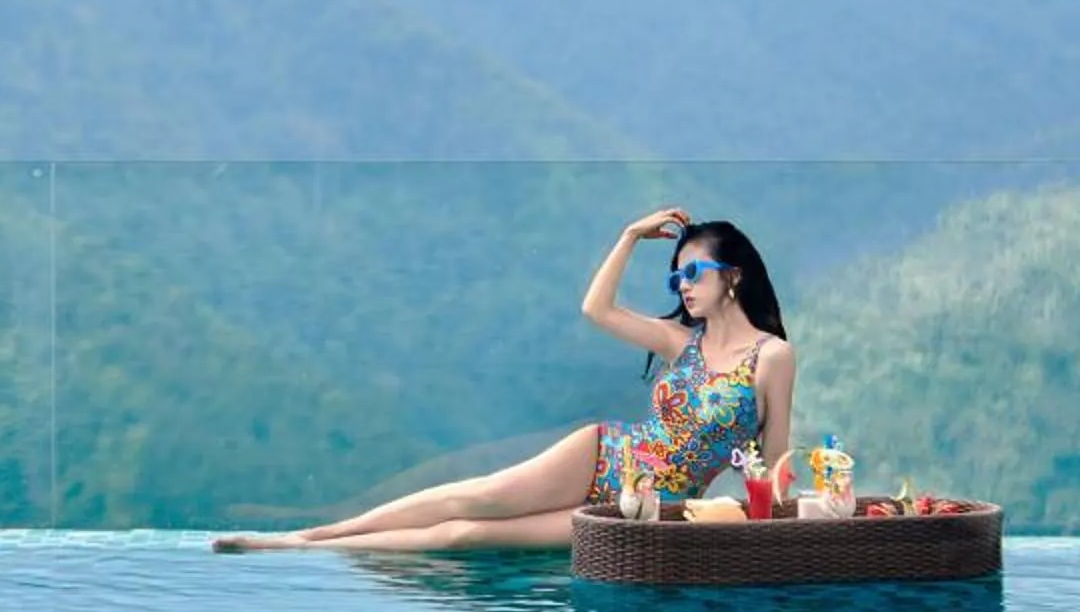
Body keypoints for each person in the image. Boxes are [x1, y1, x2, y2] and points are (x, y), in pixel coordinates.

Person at [212, 207, 794, 552]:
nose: (683, 287)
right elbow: (598, 309)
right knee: (478, 496)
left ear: (733, 276)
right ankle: (304, 541)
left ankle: (308, 546)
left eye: (693, 273)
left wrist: (771, 530)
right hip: (606, 452)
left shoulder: (771, 357)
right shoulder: (681, 342)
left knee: (467, 535)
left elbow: (774, 462)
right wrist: (628, 237)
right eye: (676, 279)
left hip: (655, 507)